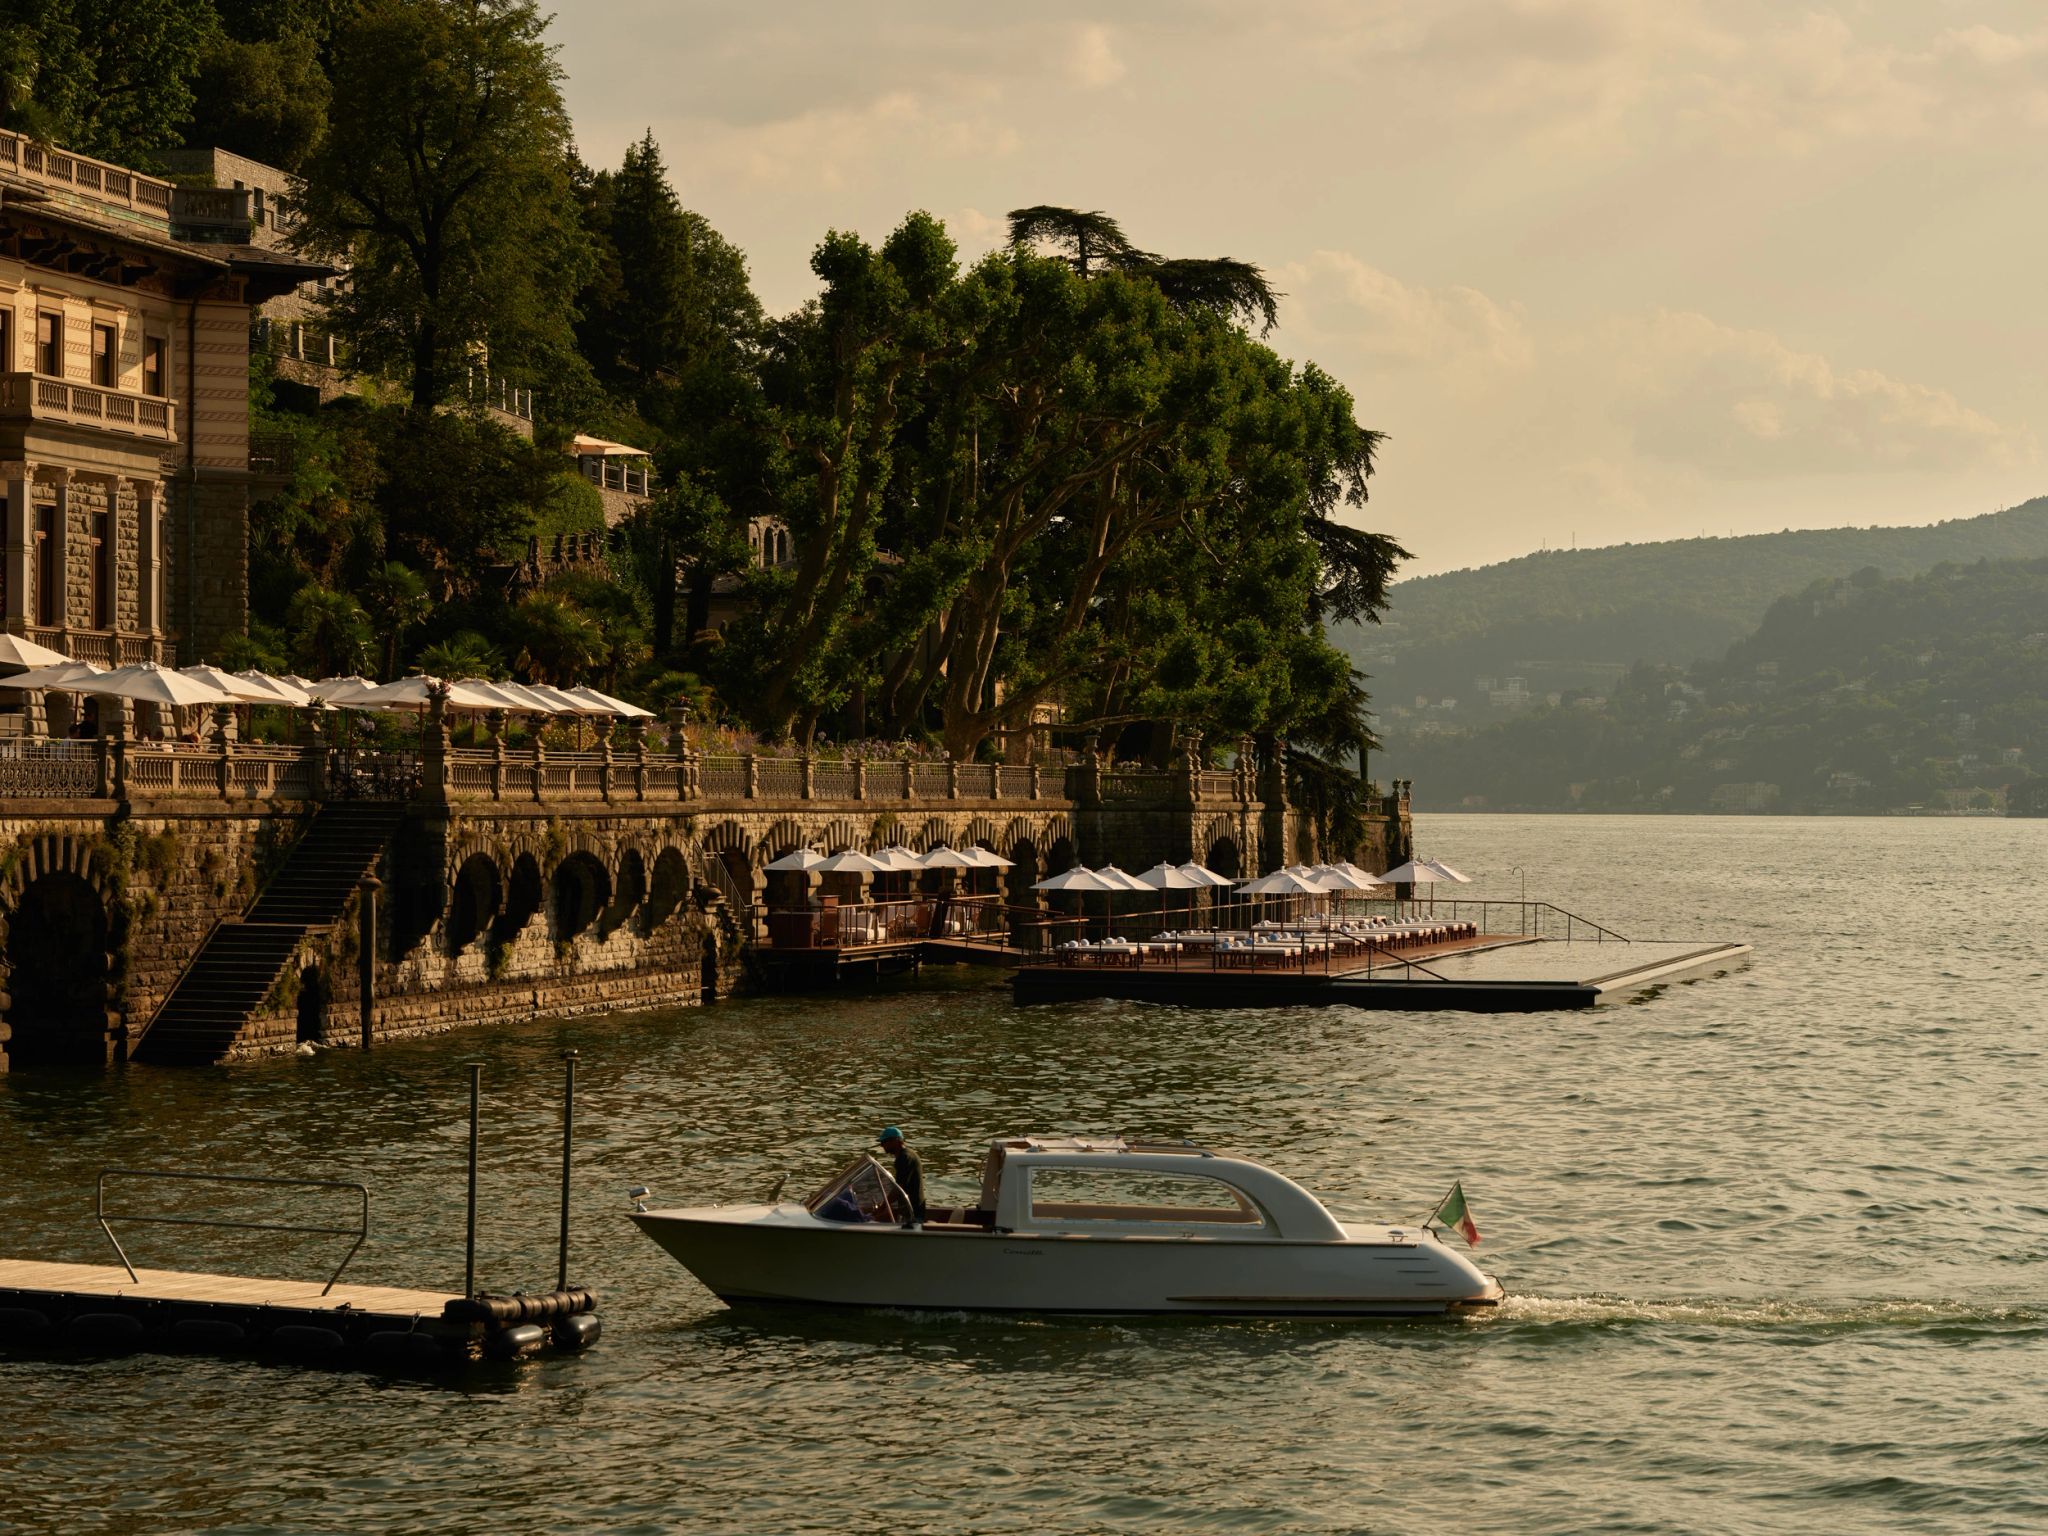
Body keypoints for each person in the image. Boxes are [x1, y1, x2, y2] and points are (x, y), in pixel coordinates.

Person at [878, 1126, 926, 1227]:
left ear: (895, 1141)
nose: (882, 1146)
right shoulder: (909, 1154)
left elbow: (899, 1189)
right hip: (912, 1209)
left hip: (913, 1213)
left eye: (884, 1142)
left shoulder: (904, 1158)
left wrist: (882, 1207)